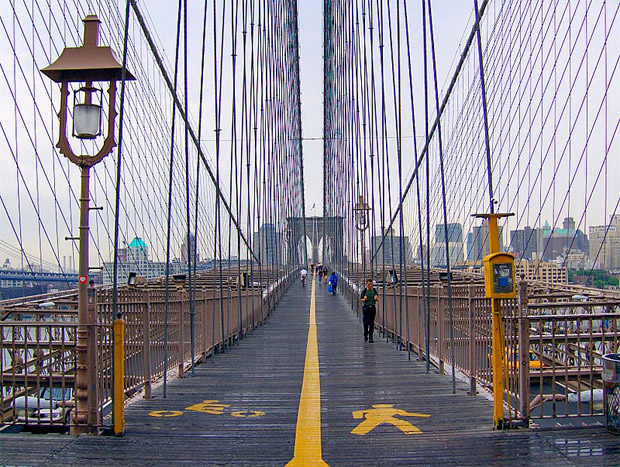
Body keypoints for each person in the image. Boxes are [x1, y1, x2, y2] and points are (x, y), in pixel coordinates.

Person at [360, 278, 379, 343]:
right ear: (366, 284)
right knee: (366, 322)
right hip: (366, 307)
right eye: (368, 284)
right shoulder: (364, 291)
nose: (370, 286)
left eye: (371, 284)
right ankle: (365, 334)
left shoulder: (374, 291)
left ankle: (371, 337)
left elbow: (377, 298)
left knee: (371, 323)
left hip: (372, 307)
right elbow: (361, 299)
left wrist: (376, 298)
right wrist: (364, 299)